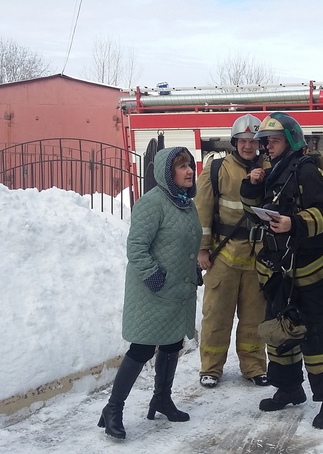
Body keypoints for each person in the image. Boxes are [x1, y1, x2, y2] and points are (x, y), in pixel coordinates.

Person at [240, 112, 323, 429]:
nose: (265, 147)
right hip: (279, 269)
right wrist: (251, 186)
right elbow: (254, 215)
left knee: (315, 334)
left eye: (270, 141)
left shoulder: (307, 171)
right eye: (264, 142)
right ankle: (289, 388)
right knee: (279, 330)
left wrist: (293, 223)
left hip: (311, 270)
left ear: (290, 141)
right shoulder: (274, 173)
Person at [97, 147, 202, 439]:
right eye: (182, 166)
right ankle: (113, 409)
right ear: (167, 173)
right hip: (152, 291)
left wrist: (191, 269)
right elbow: (136, 248)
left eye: (190, 165)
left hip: (176, 291)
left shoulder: (185, 203)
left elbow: (186, 243)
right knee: (142, 349)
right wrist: (154, 276)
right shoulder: (152, 203)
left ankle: (162, 399)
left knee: (171, 345)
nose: (189, 171)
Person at [194, 114, 269, 388]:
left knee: (254, 318)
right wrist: (203, 250)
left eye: (253, 141)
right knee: (216, 315)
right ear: (235, 142)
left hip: (256, 256)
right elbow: (202, 211)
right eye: (243, 141)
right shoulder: (216, 169)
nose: (248, 146)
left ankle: (254, 367)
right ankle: (211, 368)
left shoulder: (270, 169)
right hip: (222, 255)